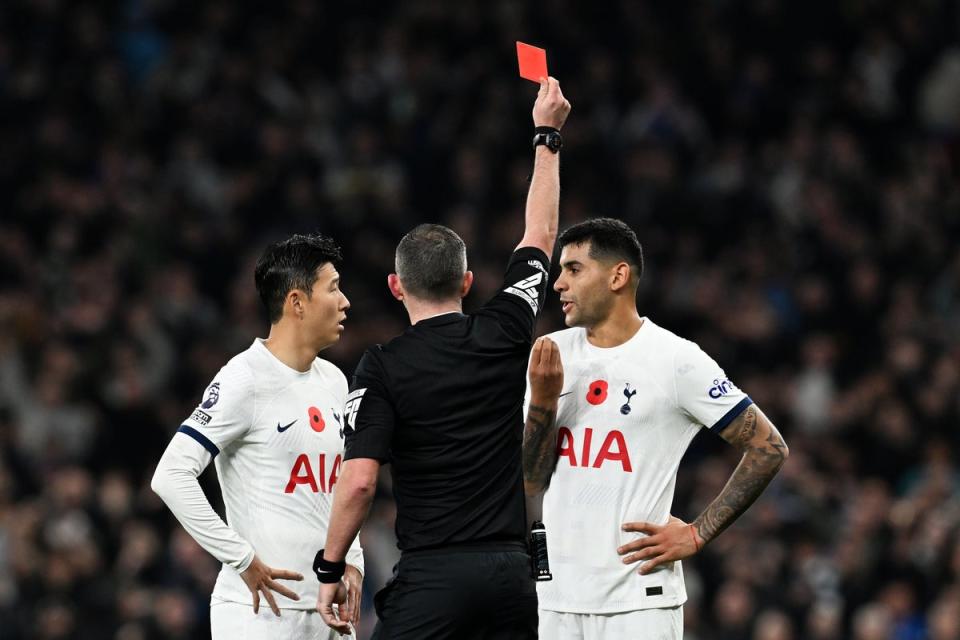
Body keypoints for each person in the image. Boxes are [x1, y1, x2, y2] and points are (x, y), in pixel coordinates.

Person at [314, 77, 571, 638]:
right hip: (512, 576)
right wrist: (546, 135)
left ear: (396, 287)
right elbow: (542, 233)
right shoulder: (505, 327)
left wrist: (330, 565)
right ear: (468, 282)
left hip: (434, 575)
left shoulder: (380, 364)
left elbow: (359, 482)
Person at [522, 218, 789, 639]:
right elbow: (533, 479)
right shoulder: (552, 354)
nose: (558, 284)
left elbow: (769, 447)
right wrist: (541, 400)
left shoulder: (676, 360)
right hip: (557, 600)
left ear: (618, 276)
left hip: (638, 601)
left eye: (573, 269)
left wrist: (698, 534)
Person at [151, 233, 364, 639]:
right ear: (297, 302)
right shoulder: (243, 379)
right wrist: (241, 559)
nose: (345, 301)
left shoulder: (335, 381)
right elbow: (171, 474)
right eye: (333, 288)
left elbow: (340, 488)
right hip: (260, 613)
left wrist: (352, 561)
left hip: (329, 613)